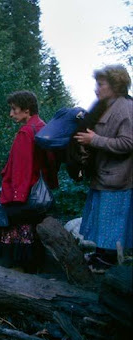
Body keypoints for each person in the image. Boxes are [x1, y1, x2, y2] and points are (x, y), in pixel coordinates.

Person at [0, 91, 58, 273]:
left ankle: (17, 267)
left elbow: (21, 169)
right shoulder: (42, 127)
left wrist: (15, 196)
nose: (11, 114)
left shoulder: (26, 132)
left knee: (13, 223)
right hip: (39, 191)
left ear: (27, 110)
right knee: (29, 229)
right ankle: (30, 265)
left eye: (14, 109)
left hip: (25, 191)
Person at [74, 65, 133, 273]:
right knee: (102, 219)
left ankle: (108, 262)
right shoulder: (105, 106)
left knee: (112, 221)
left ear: (116, 85)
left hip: (118, 178)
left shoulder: (126, 108)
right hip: (104, 174)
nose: (96, 89)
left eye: (101, 84)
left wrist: (94, 139)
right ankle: (101, 255)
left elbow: (128, 143)